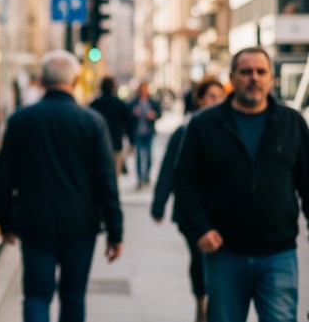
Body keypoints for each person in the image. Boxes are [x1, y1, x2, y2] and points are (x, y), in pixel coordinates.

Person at [175, 47, 309, 322]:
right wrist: (200, 227)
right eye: (246, 72)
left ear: (272, 78)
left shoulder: (291, 123)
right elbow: (185, 181)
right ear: (232, 78)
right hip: (225, 253)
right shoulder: (205, 124)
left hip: (278, 254)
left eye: (261, 72)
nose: (254, 78)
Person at [0, 50, 123, 322]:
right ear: (75, 81)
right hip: (80, 226)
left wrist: (4, 222)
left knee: (37, 295)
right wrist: (115, 231)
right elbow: (106, 181)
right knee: (73, 296)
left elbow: (3, 177)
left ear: (41, 80)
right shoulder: (92, 122)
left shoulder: (20, 121)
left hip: (35, 223)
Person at [150, 76, 226, 322]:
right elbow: (170, 170)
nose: (216, 102)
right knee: (199, 259)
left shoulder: (229, 129)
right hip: (191, 212)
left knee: (221, 261)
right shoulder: (184, 131)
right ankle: (202, 301)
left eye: (220, 97)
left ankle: (215, 303)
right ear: (200, 100)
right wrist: (159, 204)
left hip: (222, 211)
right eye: (211, 97)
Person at [89, 76, 131, 177]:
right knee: (115, 175)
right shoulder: (119, 104)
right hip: (116, 143)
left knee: (100, 175)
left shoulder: (95, 104)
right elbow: (127, 122)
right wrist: (131, 140)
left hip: (97, 145)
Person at [128, 80, 161, 189]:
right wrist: (133, 113)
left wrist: (153, 115)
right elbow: (127, 115)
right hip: (137, 132)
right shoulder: (134, 102)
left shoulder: (152, 101)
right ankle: (139, 179)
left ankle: (146, 176)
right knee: (138, 157)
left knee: (149, 156)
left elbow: (159, 113)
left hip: (149, 131)